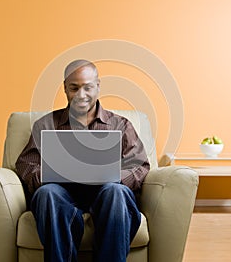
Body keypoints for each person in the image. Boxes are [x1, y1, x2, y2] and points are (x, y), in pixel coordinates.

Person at [15, 59, 150, 262]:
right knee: (47, 193)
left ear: (98, 86)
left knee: (117, 191)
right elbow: (27, 163)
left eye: (87, 87)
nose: (81, 95)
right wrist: (49, 174)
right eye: (74, 88)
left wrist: (114, 177)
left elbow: (139, 165)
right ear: (65, 89)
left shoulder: (119, 125)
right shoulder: (45, 124)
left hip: (107, 194)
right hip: (62, 194)